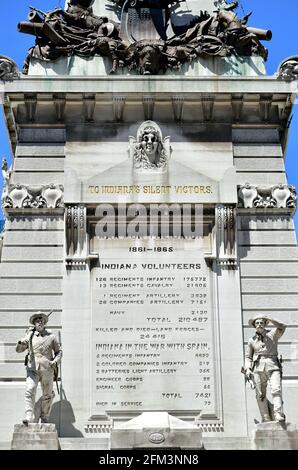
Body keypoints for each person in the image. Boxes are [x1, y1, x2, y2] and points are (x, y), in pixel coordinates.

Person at [16, 312, 62, 425]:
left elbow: (59, 352)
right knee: (30, 389)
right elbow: (19, 350)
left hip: (47, 368)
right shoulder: (30, 336)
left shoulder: (51, 337)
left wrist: (54, 362)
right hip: (33, 368)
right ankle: (28, 414)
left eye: (41, 320)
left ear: (45, 322)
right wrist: (21, 342)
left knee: (48, 394)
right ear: (34, 323)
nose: (40, 322)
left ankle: (45, 416)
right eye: (37, 320)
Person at [245, 315, 286, 423]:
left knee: (276, 389)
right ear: (254, 326)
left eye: (261, 323)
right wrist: (248, 368)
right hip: (258, 368)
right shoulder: (251, 340)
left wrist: (269, 318)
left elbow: (283, 326)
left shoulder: (272, 334)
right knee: (260, 394)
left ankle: (278, 413)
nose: (259, 325)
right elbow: (248, 357)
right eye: (257, 323)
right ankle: (265, 417)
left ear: (265, 324)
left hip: (273, 366)